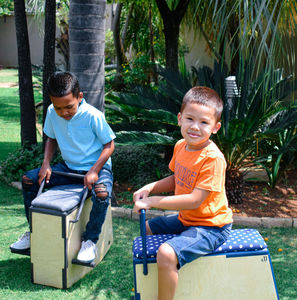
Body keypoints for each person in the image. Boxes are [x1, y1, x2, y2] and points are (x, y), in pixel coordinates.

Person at [133, 86, 233, 300]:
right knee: (149, 228)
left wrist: (153, 201)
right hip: (188, 219)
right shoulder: (181, 146)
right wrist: (150, 187)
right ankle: (155, 285)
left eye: (204, 122)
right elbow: (176, 179)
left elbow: (194, 200)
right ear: (179, 118)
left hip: (212, 227)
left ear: (215, 127)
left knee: (166, 253)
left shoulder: (213, 159)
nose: (195, 127)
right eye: (190, 119)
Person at [10, 71, 116, 263]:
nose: (64, 112)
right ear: (51, 101)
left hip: (97, 169)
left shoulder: (93, 115)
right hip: (68, 169)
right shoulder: (52, 112)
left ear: (80, 97)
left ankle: (90, 241)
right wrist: (46, 164)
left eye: (69, 107)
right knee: (28, 179)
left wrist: (94, 170)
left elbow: (109, 145)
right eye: (58, 108)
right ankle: (34, 233)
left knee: (101, 193)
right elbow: (50, 137)